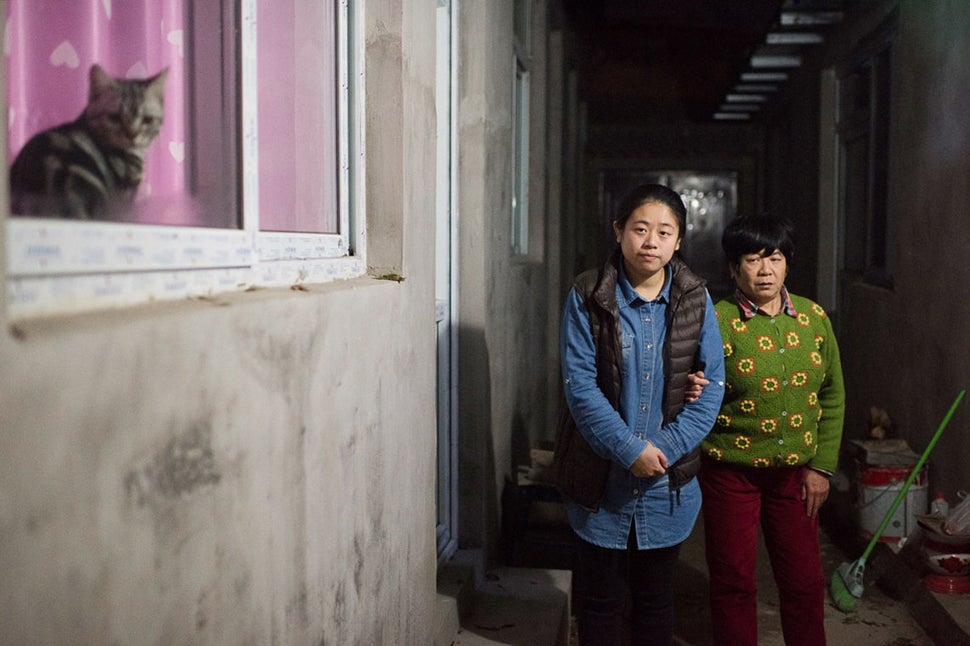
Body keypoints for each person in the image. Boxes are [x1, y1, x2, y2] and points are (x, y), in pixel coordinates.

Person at [554, 183, 725, 646]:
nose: (651, 241)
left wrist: (662, 450)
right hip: (601, 477)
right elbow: (580, 387)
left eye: (664, 232)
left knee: (655, 601)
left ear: (678, 241)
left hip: (665, 482)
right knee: (600, 601)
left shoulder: (695, 299)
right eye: (640, 229)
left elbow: (713, 388)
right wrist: (629, 449)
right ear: (618, 231)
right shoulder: (587, 294)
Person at [699, 217, 845, 646]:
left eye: (775, 258)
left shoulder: (814, 319)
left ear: (787, 265)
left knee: (804, 580)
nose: (765, 270)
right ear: (732, 268)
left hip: (796, 476)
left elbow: (833, 396)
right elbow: (692, 388)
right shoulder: (714, 320)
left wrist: (823, 467)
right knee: (733, 581)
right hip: (729, 474)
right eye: (753, 259)